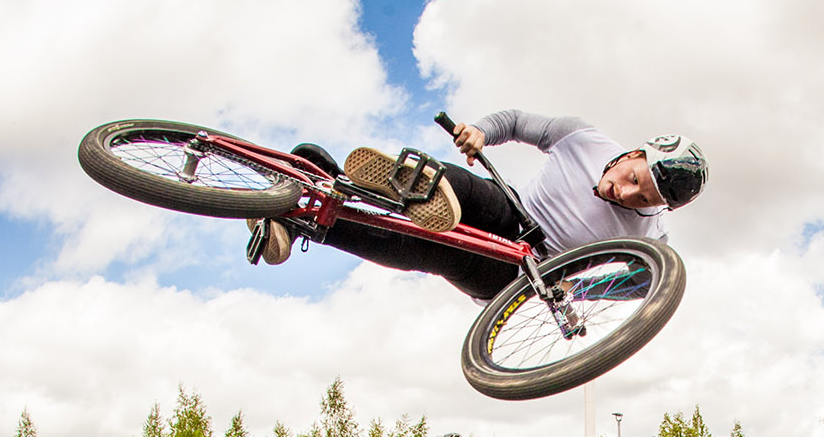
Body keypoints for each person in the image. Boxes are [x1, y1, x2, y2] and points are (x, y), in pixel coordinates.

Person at [249, 111, 709, 304]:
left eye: (643, 200)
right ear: (634, 154)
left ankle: (308, 223)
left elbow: (647, 284)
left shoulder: (651, 236)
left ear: (661, 207)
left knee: (431, 250)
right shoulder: (583, 138)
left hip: (525, 271)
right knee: (469, 190)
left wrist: (580, 291)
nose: (626, 195)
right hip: (514, 212)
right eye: (633, 181)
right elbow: (515, 123)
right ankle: (335, 185)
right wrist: (482, 132)